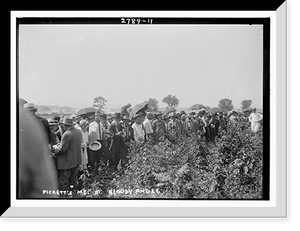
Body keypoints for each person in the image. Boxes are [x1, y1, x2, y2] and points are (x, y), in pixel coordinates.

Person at [19, 106, 58, 198]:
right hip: (40, 154)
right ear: (34, 111)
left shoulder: (23, 121)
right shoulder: (42, 121)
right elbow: (48, 139)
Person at [52, 116, 82, 192]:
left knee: (64, 182)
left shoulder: (67, 134)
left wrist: (55, 148)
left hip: (67, 162)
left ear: (65, 125)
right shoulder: (78, 132)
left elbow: (62, 150)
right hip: (76, 160)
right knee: (73, 180)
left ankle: (64, 196)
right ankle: (73, 194)